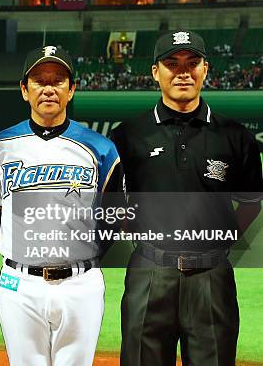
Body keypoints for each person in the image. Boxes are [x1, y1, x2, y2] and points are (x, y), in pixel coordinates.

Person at [110, 31, 263, 366]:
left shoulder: (236, 136)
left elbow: (251, 203)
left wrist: (217, 242)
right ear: (155, 72)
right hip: (148, 271)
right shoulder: (126, 136)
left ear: (206, 69)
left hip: (211, 277)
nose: (183, 72)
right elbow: (111, 205)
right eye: (171, 63)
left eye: (192, 63)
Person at [0, 45, 123, 366]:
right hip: (20, 284)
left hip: (81, 284)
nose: (48, 88)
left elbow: (113, 217)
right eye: (39, 80)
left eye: (58, 81)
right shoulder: (0, 145)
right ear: (24, 90)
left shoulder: (101, 148)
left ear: (71, 90)